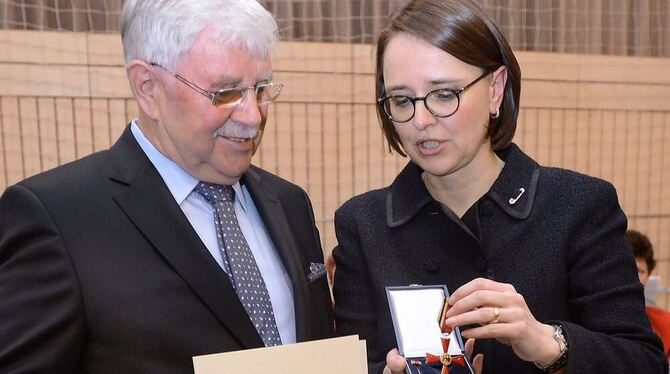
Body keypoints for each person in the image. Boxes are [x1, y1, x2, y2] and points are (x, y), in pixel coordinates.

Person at [331, 0, 666, 373]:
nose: (421, 120)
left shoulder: (578, 206)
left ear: (495, 89)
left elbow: (644, 362)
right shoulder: (363, 225)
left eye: (444, 94)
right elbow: (354, 364)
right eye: (402, 100)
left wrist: (548, 342)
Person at [0, 0, 333, 372]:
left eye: (260, 89)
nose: (252, 117)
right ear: (147, 87)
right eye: (225, 93)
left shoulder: (290, 204)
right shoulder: (58, 220)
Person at [626, 229, 670, 359]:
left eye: (640, 271)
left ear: (648, 275)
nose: (634, 277)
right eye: (629, 268)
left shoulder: (664, 323)